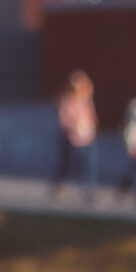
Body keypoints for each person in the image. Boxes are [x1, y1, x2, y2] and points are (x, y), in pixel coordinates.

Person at [51, 72, 98, 205]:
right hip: (72, 138)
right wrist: (73, 126)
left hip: (87, 138)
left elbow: (92, 117)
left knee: (89, 167)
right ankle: (59, 188)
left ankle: (89, 192)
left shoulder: (86, 101)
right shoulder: (68, 101)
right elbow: (64, 120)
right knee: (66, 165)